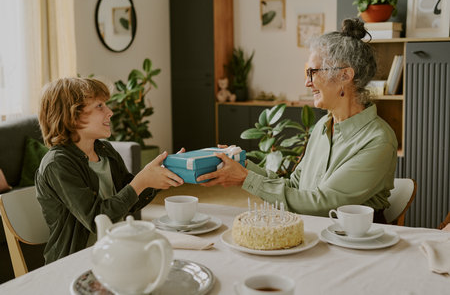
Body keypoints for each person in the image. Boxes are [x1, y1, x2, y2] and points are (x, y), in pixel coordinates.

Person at [197, 18, 398, 222]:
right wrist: (243, 165)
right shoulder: (323, 126)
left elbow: (322, 204)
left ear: (345, 76)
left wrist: (245, 179)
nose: (307, 82)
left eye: (313, 72)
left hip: (357, 242)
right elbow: (294, 186)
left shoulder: (378, 140)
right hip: (317, 233)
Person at [36, 77, 184, 263]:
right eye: (100, 106)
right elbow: (98, 220)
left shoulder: (105, 150)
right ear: (72, 115)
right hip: (76, 262)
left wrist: (162, 173)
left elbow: (129, 201)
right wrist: (141, 182)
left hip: (114, 252)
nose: (110, 112)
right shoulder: (58, 164)